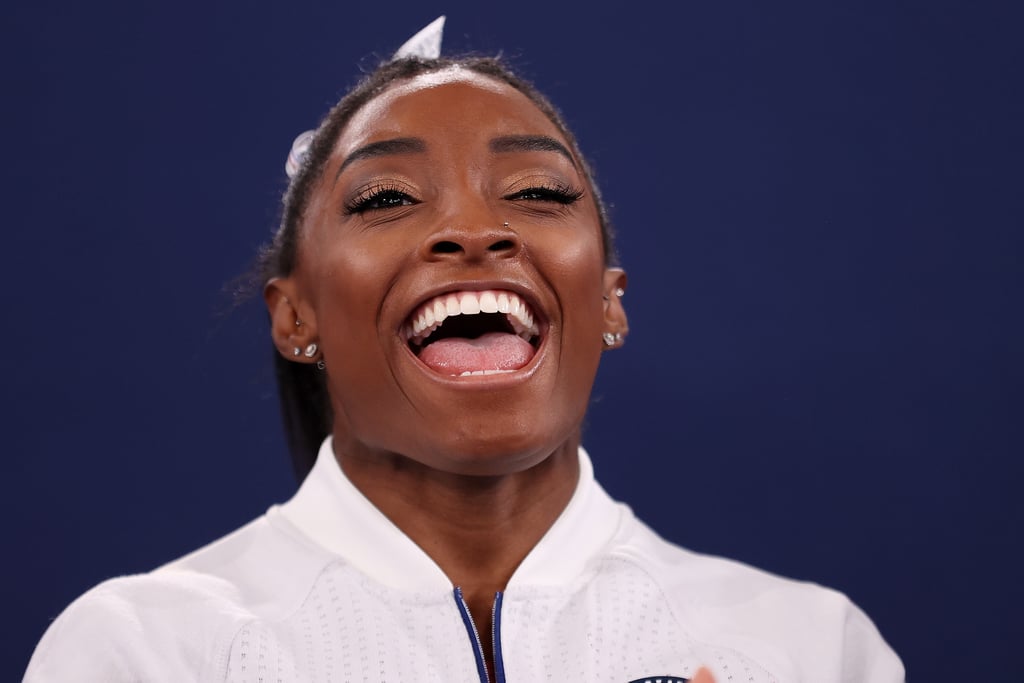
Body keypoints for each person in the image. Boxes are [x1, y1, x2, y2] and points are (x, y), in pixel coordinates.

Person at [24, 18, 903, 683]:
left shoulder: (812, 648)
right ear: (296, 318)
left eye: (533, 190)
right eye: (384, 199)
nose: (473, 229)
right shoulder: (140, 650)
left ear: (608, 301)